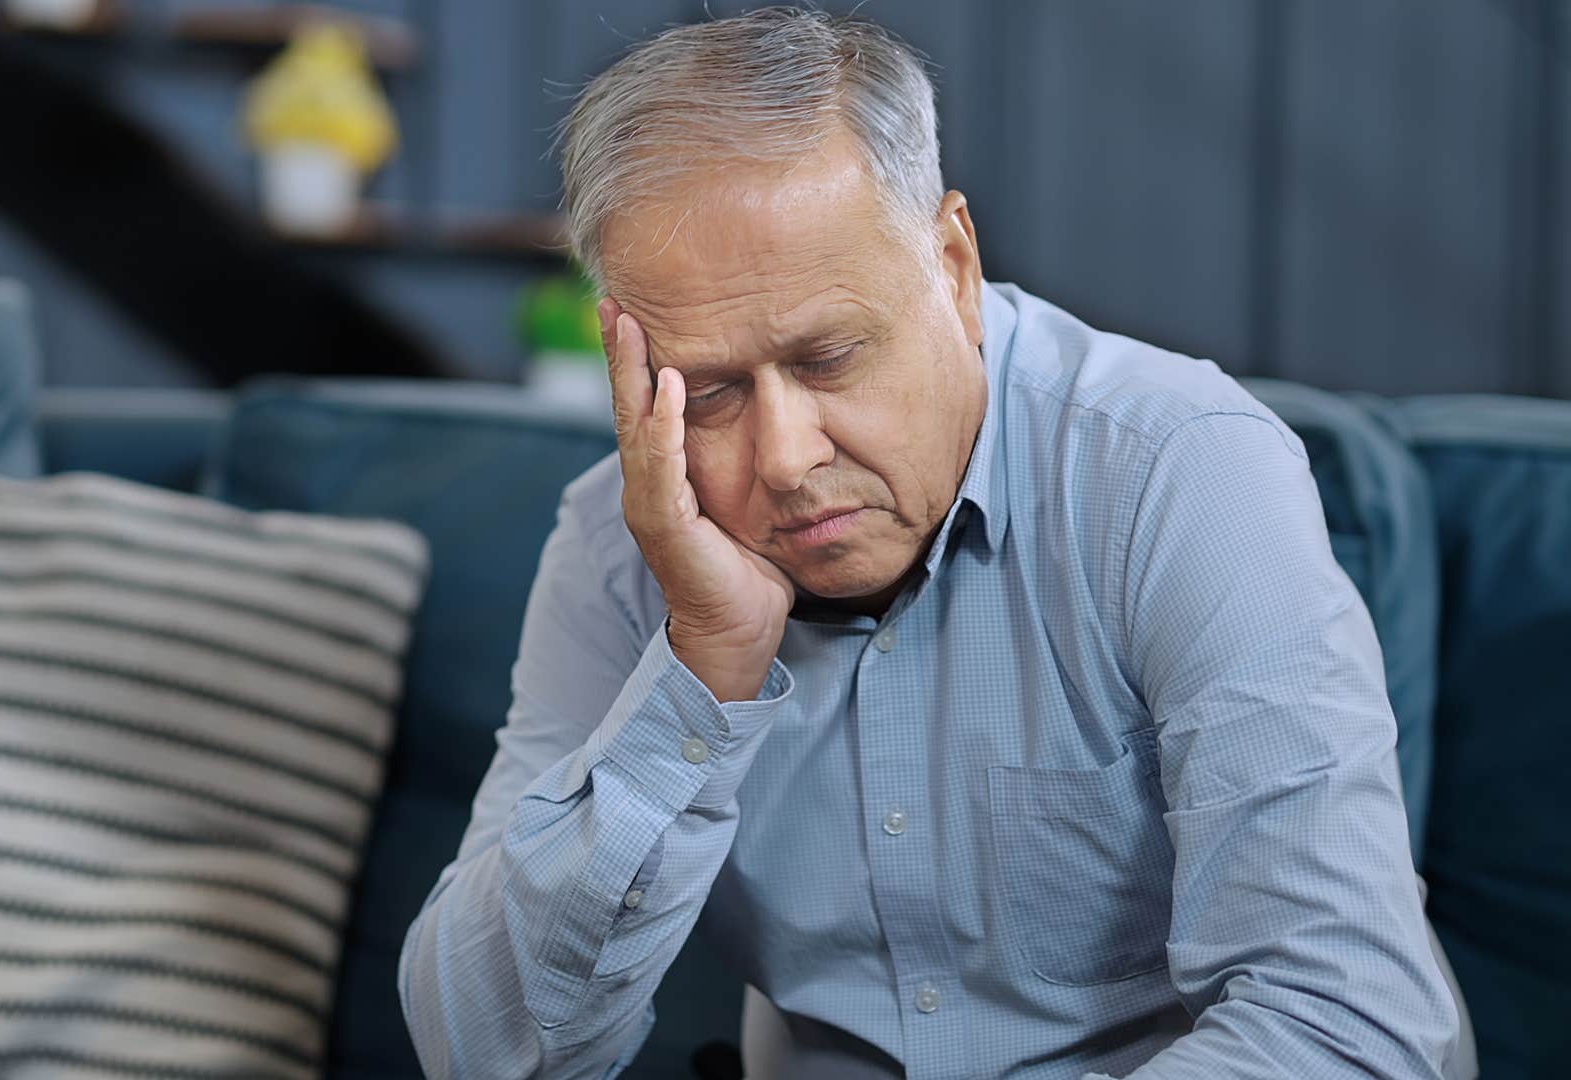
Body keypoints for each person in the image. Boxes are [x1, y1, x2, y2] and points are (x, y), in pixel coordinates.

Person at [400, 9, 1467, 1078]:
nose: (783, 456)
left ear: (952, 264)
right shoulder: (622, 544)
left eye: (828, 359)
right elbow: (483, 1056)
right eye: (710, 391)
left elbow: (1346, 1023)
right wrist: (700, 666)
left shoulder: (1177, 471)